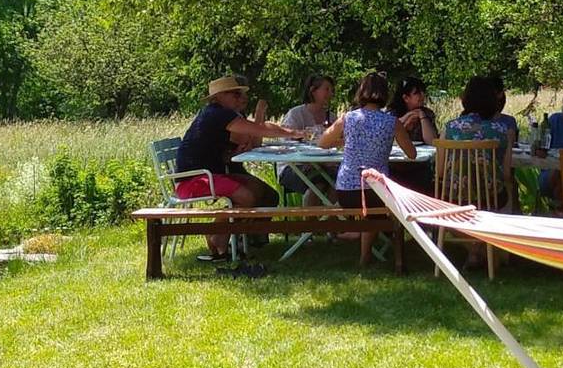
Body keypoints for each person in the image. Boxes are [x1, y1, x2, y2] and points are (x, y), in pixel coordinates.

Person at [175, 74, 303, 261]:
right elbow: (259, 131)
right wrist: (294, 133)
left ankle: (247, 240)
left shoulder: (227, 114)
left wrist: (232, 152)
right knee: (247, 197)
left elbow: (249, 140)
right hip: (194, 179)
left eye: (243, 94)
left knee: (268, 195)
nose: (242, 98)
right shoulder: (217, 113)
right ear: (218, 97)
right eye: (236, 94)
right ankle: (216, 236)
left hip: (211, 174)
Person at [319, 72, 416, 265]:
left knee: (371, 208)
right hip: (376, 190)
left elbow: (322, 142)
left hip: (346, 190)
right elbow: (412, 154)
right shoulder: (392, 122)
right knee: (378, 205)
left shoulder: (348, 118)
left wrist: (346, 141)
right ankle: (367, 255)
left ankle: (360, 246)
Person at [444, 76, 516, 266]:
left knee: (442, 204)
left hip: (456, 196)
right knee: (509, 190)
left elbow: (442, 170)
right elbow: (506, 173)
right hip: (490, 196)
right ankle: (486, 250)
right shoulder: (502, 130)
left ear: (465, 99)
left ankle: (474, 252)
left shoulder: (450, 128)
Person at [278, 73, 336, 204]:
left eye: (332, 90)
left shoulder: (332, 117)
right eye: (326, 89)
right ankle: (310, 217)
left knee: (339, 184)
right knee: (318, 185)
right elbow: (286, 145)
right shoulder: (295, 115)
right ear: (313, 91)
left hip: (324, 166)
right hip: (294, 166)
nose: (331, 94)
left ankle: (331, 216)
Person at [390, 75, 439, 144]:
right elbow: (388, 137)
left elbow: (432, 141)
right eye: (417, 93)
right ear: (406, 98)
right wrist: (407, 118)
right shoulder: (392, 113)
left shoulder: (428, 113)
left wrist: (422, 116)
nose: (422, 95)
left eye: (423, 91)